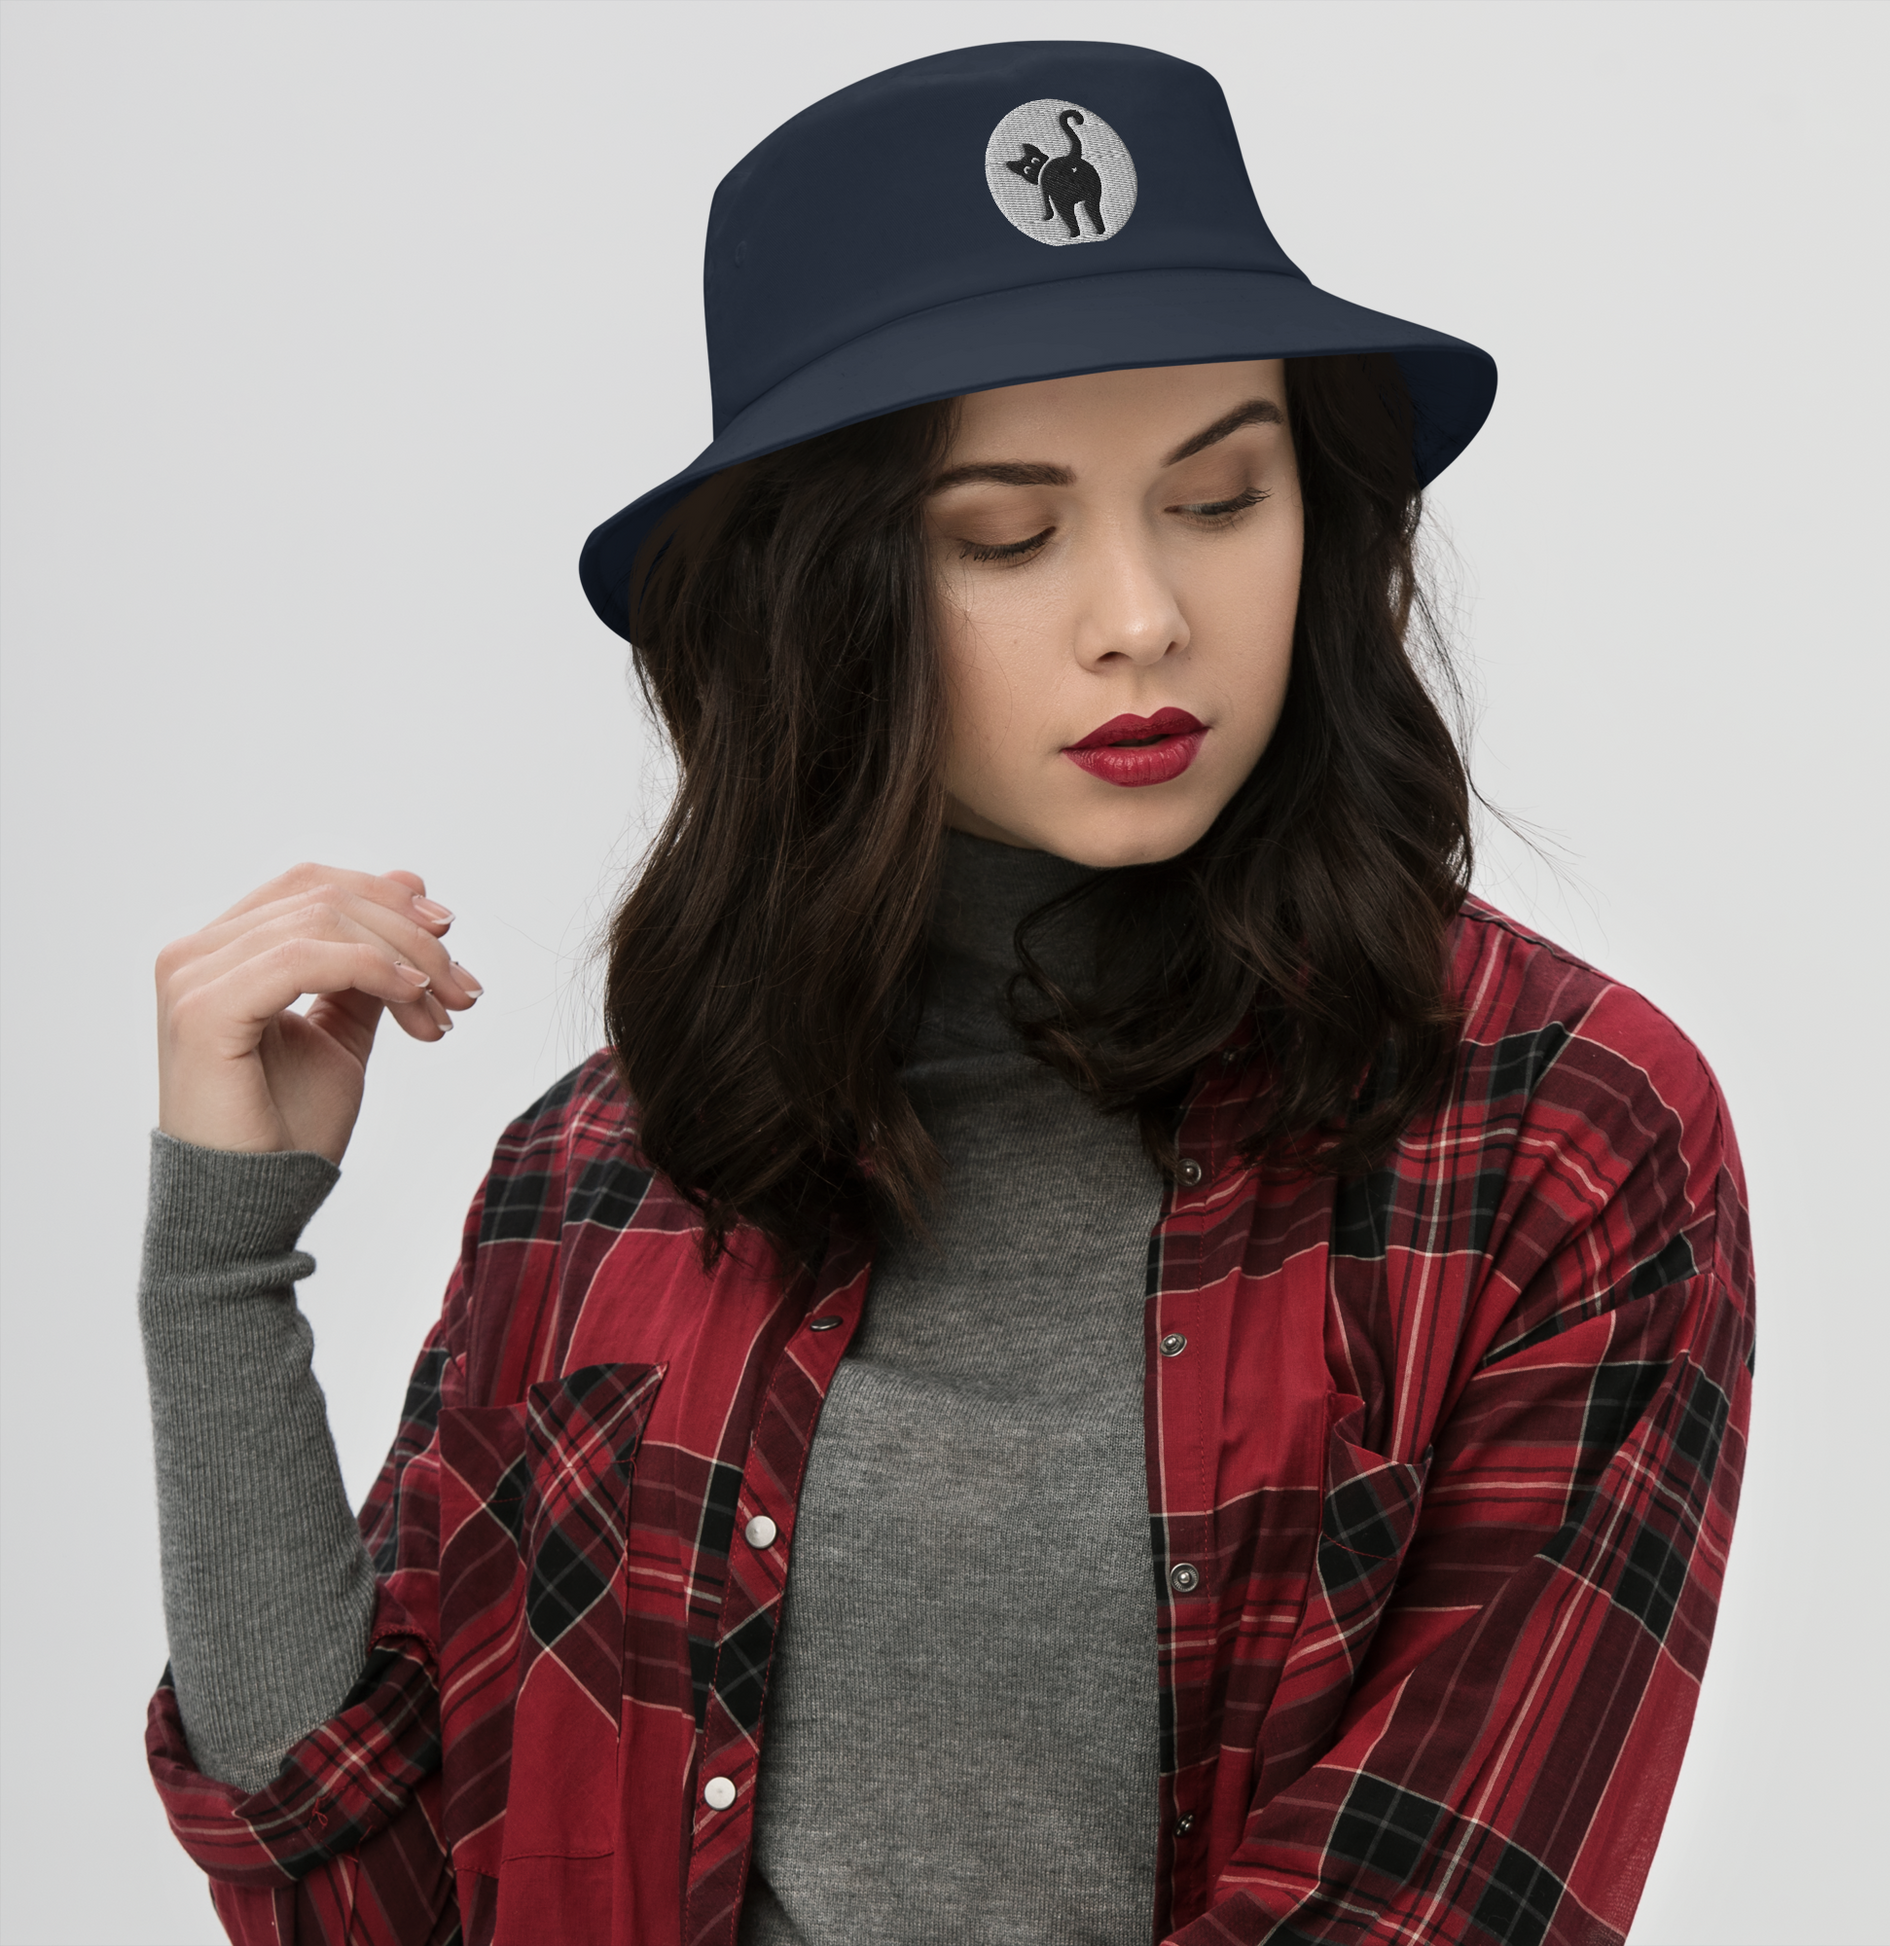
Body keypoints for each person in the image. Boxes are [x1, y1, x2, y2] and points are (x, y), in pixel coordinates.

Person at [139, 40, 1755, 1946]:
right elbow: (373, 1909)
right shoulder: (596, 1179)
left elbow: (1435, 1907)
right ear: (818, 593)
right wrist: (217, 1273)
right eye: (1007, 532)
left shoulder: (1559, 1138)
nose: (1141, 617)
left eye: (1220, 496)